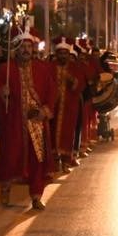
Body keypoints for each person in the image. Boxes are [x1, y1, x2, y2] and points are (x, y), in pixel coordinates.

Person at [0, 27, 57, 209]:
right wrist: (1, 92)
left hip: (36, 122)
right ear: (15, 49)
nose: (26, 50)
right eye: (22, 47)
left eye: (28, 46)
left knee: (38, 159)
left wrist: (45, 110)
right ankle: (5, 188)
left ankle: (36, 196)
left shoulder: (42, 68)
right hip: (13, 122)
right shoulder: (6, 68)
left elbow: (52, 91)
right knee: (10, 157)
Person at [50, 37, 84, 172]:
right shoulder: (50, 67)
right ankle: (53, 163)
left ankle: (65, 162)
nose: (62, 56)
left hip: (69, 107)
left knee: (68, 134)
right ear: (57, 54)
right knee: (52, 135)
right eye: (60, 53)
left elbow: (80, 85)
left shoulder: (75, 67)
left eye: (65, 53)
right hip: (54, 106)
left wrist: (70, 79)